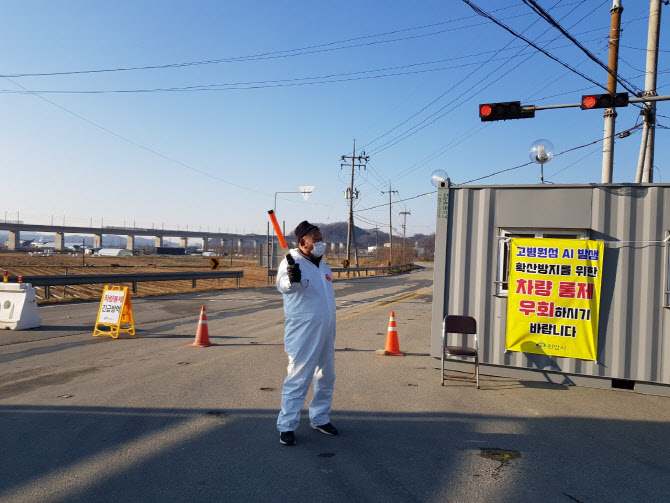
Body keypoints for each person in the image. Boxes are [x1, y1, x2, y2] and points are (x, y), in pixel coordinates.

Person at [276, 221, 337, 446]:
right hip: (303, 331)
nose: (321, 242)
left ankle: (320, 418)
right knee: (298, 377)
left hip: (327, 330)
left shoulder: (324, 267)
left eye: (322, 238)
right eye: (316, 239)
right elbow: (285, 285)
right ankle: (287, 426)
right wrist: (291, 278)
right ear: (303, 242)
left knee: (326, 376)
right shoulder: (291, 263)